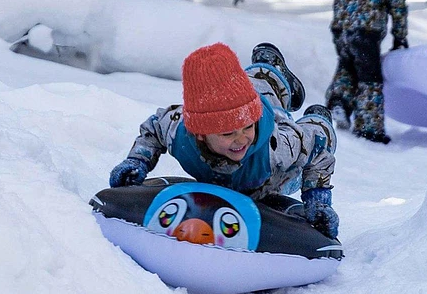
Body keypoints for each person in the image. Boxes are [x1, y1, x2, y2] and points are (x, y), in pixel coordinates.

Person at [108, 42, 339, 238]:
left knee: (318, 133)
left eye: (246, 129)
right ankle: (268, 72)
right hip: (246, 109)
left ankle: (314, 112)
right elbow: (154, 126)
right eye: (227, 134)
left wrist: (317, 201)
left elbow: (318, 151)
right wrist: (138, 161)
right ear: (200, 133)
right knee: (249, 91)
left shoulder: (278, 148)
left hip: (276, 167)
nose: (241, 140)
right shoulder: (179, 132)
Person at [325, 0, 408, 144]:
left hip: (341, 30)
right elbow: (399, 8)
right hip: (366, 34)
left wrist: (340, 27)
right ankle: (369, 128)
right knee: (369, 78)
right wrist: (400, 38)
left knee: (347, 67)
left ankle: (339, 103)